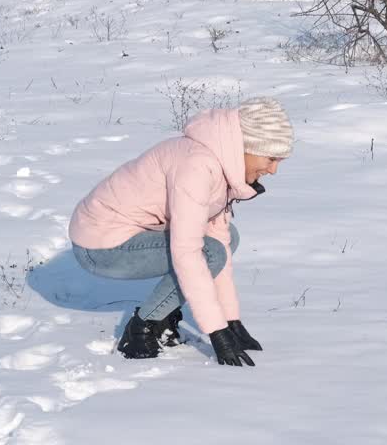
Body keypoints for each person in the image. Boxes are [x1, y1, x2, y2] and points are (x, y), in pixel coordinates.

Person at [69, 97, 293, 365]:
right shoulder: (197, 165)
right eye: (271, 158)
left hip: (126, 234)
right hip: (99, 246)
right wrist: (216, 331)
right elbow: (189, 251)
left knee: (226, 239)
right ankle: (143, 326)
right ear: (248, 146)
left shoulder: (221, 165)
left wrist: (231, 321)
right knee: (207, 254)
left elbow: (219, 239)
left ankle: (161, 314)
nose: (274, 170)